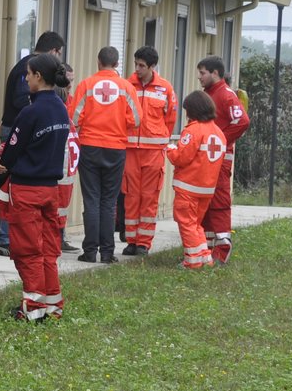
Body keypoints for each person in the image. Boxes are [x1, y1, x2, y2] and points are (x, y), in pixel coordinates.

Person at [0, 53, 71, 321]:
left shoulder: (31, 112)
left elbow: (11, 153)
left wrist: (0, 171)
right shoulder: (61, 108)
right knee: (49, 249)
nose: (25, 79)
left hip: (26, 190)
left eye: (28, 74)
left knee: (27, 251)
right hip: (51, 190)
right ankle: (53, 305)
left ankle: (34, 308)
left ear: (38, 76)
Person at [67, 46, 141, 264]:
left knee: (91, 200)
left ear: (98, 62)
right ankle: (108, 253)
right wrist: (119, 125)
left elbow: (74, 117)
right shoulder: (126, 87)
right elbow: (136, 119)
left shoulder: (86, 85)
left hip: (89, 147)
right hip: (116, 148)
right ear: (117, 64)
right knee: (109, 202)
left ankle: (90, 251)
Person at [0, 30, 64, 255]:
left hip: (29, 129)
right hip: (18, 128)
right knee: (9, 182)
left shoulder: (48, 104)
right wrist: (37, 112)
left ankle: (23, 236)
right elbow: (19, 99)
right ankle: (5, 237)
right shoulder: (28, 68)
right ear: (54, 51)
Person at [123, 46, 178, 257]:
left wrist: (159, 138)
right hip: (130, 150)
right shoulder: (127, 85)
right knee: (131, 196)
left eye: (142, 66)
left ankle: (144, 243)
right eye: (136, 64)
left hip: (154, 151)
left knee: (149, 197)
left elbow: (170, 119)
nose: (137, 69)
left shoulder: (165, 88)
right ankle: (131, 240)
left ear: (152, 66)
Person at [167, 90, 228, 269]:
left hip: (188, 187)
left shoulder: (193, 130)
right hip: (206, 189)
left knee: (186, 224)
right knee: (195, 225)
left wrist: (170, 148)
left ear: (193, 111)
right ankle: (204, 259)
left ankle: (192, 262)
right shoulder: (218, 132)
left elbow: (180, 157)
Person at [198, 56, 251, 263]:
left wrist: (220, 140)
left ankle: (221, 249)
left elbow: (242, 121)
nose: (199, 77)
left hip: (220, 159)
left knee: (219, 202)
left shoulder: (226, 95)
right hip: (208, 158)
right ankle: (207, 250)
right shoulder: (209, 93)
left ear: (215, 73)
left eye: (203, 73)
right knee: (206, 203)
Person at [53, 63, 81, 257]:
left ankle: (58, 239)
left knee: (60, 206)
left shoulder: (70, 102)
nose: (69, 84)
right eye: (66, 81)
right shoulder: (60, 104)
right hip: (64, 167)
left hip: (65, 167)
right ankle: (56, 239)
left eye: (71, 80)